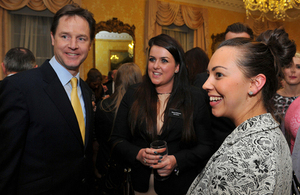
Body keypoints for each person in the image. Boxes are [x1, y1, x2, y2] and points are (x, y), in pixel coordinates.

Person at [0, 4, 96, 194]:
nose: (73, 45)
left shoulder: (85, 89)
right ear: (52, 38)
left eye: (81, 38)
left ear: (90, 44)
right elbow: (5, 163)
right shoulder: (20, 87)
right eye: (65, 36)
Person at [187, 28, 295, 195]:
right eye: (209, 74)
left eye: (219, 74)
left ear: (254, 84)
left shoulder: (242, 159)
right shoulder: (270, 133)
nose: (206, 85)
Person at [110, 34, 214, 195]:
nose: (155, 66)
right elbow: (116, 139)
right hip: (139, 187)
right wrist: (138, 154)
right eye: (152, 59)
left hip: (179, 186)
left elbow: (206, 146)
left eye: (164, 60)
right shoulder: (133, 94)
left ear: (177, 67)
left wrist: (177, 160)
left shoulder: (195, 98)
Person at [194, 22, 254, 150]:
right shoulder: (203, 82)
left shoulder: (258, 82)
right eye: (230, 44)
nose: (234, 51)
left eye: (241, 46)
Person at [94, 62, 142, 194]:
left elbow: (98, 138)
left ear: (117, 80)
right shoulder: (144, 108)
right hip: (136, 169)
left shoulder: (104, 106)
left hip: (108, 168)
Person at [273, 52, 300, 134]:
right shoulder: (270, 99)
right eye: (288, 66)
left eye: (298, 67)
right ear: (282, 70)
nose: (293, 71)